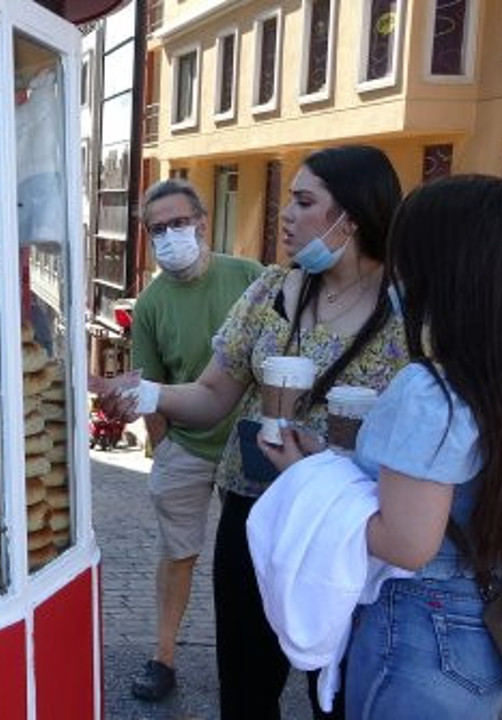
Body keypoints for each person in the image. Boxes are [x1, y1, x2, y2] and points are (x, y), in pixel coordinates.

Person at [102, 145, 407, 718]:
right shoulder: (271, 291)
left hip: (346, 530)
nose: (286, 215)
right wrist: (146, 396)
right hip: (255, 512)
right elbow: (213, 395)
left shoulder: (408, 312)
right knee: (245, 687)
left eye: (304, 201)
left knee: (337, 694)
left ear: (354, 216)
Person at [260, 175, 502, 718]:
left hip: (422, 630)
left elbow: (408, 543)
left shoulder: (430, 392)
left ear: (439, 272)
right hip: (486, 618)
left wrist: (305, 478)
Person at [127, 179, 263, 701]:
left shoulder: (248, 277)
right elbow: (149, 388)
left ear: (202, 223)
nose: (170, 235)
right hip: (187, 445)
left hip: (249, 447)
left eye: (179, 223)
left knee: (251, 556)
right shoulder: (150, 304)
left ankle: (259, 654)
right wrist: (164, 450)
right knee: (177, 554)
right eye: (158, 229)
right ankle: (163, 657)